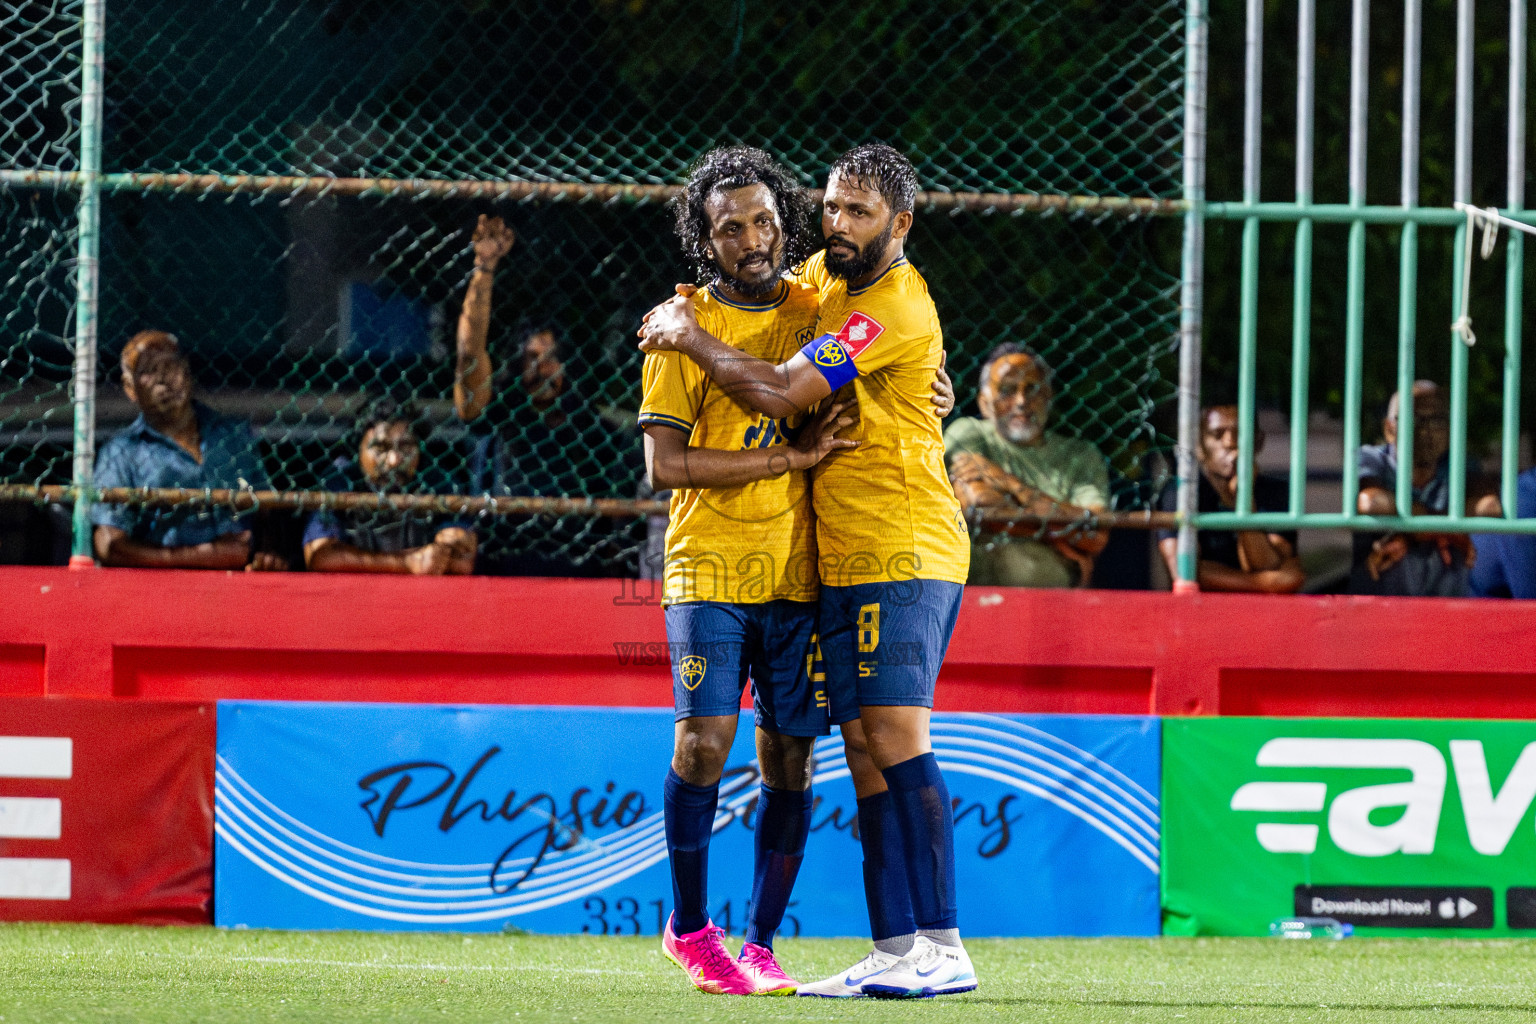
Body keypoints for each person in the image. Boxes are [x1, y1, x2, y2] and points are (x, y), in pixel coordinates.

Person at [641, 144, 977, 999]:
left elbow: (792, 389)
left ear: (900, 223)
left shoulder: (861, 303)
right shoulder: (823, 285)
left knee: (863, 744)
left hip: (882, 548)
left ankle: (930, 943)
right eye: (830, 207)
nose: (837, 224)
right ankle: (893, 946)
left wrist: (696, 338)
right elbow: (667, 463)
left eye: (858, 211)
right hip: (791, 559)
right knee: (848, 745)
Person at [639, 146, 855, 996]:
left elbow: (876, 357)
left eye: (764, 220)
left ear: (784, 222)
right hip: (709, 571)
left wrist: (932, 387)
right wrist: (789, 464)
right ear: (706, 240)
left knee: (790, 759)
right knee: (704, 740)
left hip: (799, 576)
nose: (752, 238)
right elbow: (665, 467)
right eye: (730, 228)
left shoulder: (815, 306)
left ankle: (759, 944)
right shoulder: (678, 326)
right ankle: (691, 931)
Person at [453, 216, 627, 574]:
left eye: (551, 360)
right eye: (531, 359)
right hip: (503, 560)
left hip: (578, 567)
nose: (541, 370)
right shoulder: (500, 416)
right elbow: (470, 357)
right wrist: (484, 269)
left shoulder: (597, 433)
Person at [91, 330, 283, 571]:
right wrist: (204, 556)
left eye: (169, 365)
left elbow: (266, 513)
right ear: (130, 389)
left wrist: (267, 551)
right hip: (161, 586)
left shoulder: (234, 435)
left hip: (242, 582)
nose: (163, 378)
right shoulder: (121, 452)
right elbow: (110, 544)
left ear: (186, 369)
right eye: (149, 371)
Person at [944, 344, 1110, 587]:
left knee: (1028, 570)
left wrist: (1008, 482)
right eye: (1007, 390)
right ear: (984, 403)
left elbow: (1095, 535)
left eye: (1031, 389)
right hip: (981, 558)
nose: (1021, 401)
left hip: (1044, 573)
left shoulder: (1079, 454)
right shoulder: (969, 433)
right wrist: (1061, 537)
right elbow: (979, 504)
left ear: (1048, 396)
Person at [303, 398, 476, 575]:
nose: (394, 461)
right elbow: (320, 556)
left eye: (406, 446)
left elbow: (460, 560)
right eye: (380, 448)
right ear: (358, 450)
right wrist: (406, 562)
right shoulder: (340, 478)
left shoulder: (437, 478)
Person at [1156, 403, 1304, 593]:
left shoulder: (1276, 491)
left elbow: (1269, 565)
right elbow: (1184, 573)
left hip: (1261, 615)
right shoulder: (1179, 493)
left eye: (1241, 433)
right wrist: (1266, 583)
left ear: (1258, 442)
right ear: (1198, 447)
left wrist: (1244, 498)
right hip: (1202, 612)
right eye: (1217, 435)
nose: (1230, 442)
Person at [1351, 381, 1471, 597]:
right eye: (1414, 419)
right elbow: (1372, 501)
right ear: (1389, 429)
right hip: (1380, 602)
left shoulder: (1460, 466)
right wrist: (1445, 529)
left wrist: (1408, 534)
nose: (1426, 430)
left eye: (1437, 420)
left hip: (1448, 608)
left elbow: (1490, 507)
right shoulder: (1370, 458)